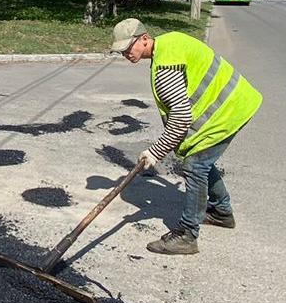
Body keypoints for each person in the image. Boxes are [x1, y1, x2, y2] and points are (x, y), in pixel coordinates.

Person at [109, 17, 262, 255]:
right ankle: (221, 212)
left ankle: (187, 235)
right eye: (121, 51)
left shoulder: (165, 68)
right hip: (236, 103)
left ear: (144, 39)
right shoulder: (170, 43)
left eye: (128, 48)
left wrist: (154, 152)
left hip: (228, 111)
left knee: (195, 166)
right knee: (200, 160)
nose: (125, 54)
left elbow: (180, 119)